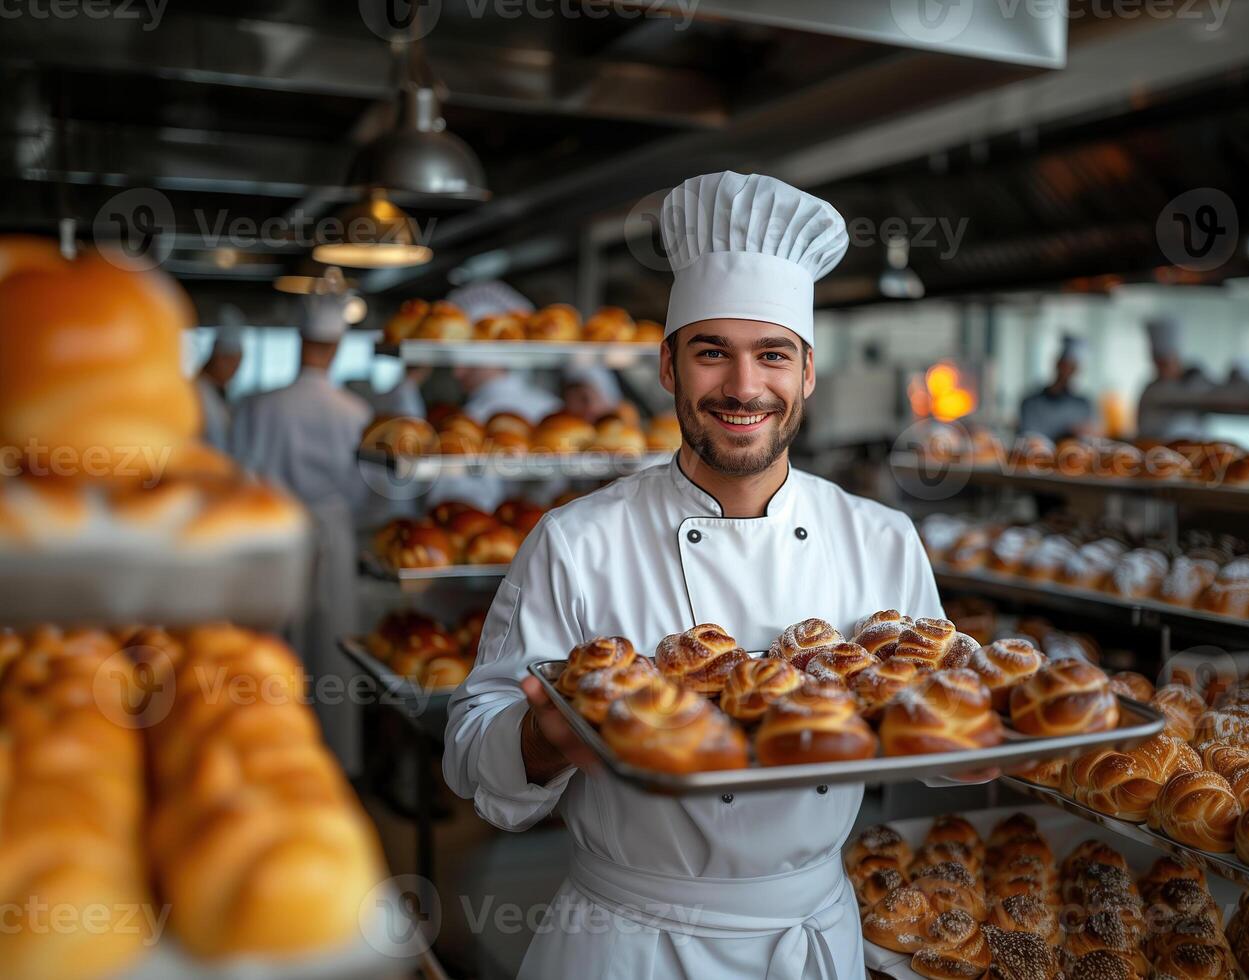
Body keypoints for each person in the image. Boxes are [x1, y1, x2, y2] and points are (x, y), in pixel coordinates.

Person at [443, 172, 948, 979]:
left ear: (807, 373)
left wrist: (982, 749)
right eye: (713, 353)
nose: (744, 388)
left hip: (812, 937)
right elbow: (473, 744)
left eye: (772, 356)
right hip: (629, 940)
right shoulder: (577, 540)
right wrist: (544, 739)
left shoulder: (881, 538)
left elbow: (931, 728)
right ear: (669, 366)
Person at [231, 292, 372, 773]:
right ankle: (334, 761)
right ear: (336, 347)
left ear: (299, 340)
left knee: (273, 647)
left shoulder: (260, 406)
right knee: (333, 647)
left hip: (273, 536)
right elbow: (363, 488)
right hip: (333, 531)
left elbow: (240, 479)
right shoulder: (354, 412)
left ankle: (273, 753)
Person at [1135, 317, 1206, 442]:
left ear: (1176, 358)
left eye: (1165, 363)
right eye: (1157, 363)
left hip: (1190, 452)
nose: (1161, 368)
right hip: (1153, 452)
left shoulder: (1194, 385)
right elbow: (1140, 425)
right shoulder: (1150, 390)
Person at [1018, 335, 1096, 441]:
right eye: (1066, 365)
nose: (1068, 371)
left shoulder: (1083, 405)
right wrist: (1066, 433)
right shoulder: (1031, 403)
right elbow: (1030, 439)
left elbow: (1091, 437)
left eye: (1073, 367)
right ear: (1057, 364)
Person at [194, 317, 243, 451]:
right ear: (220, 359)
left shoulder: (217, 392)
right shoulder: (196, 392)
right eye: (234, 364)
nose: (235, 372)